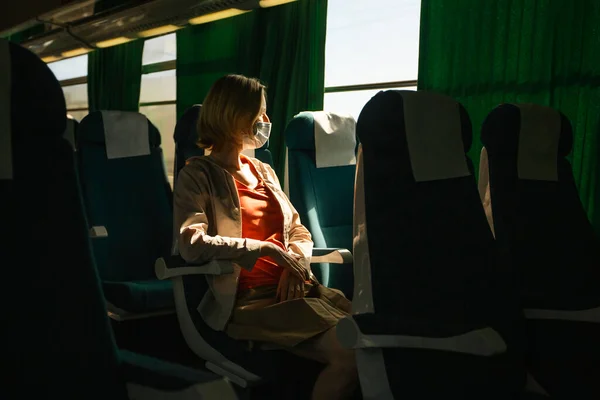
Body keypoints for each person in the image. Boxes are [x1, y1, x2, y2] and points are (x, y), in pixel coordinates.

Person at [173, 74, 358, 400]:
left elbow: (298, 230)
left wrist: (294, 261)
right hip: (253, 302)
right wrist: (265, 250)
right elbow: (191, 243)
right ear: (233, 116)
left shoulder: (264, 171)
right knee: (351, 355)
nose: (266, 121)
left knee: (375, 341)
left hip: (302, 291)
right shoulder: (197, 175)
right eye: (260, 113)